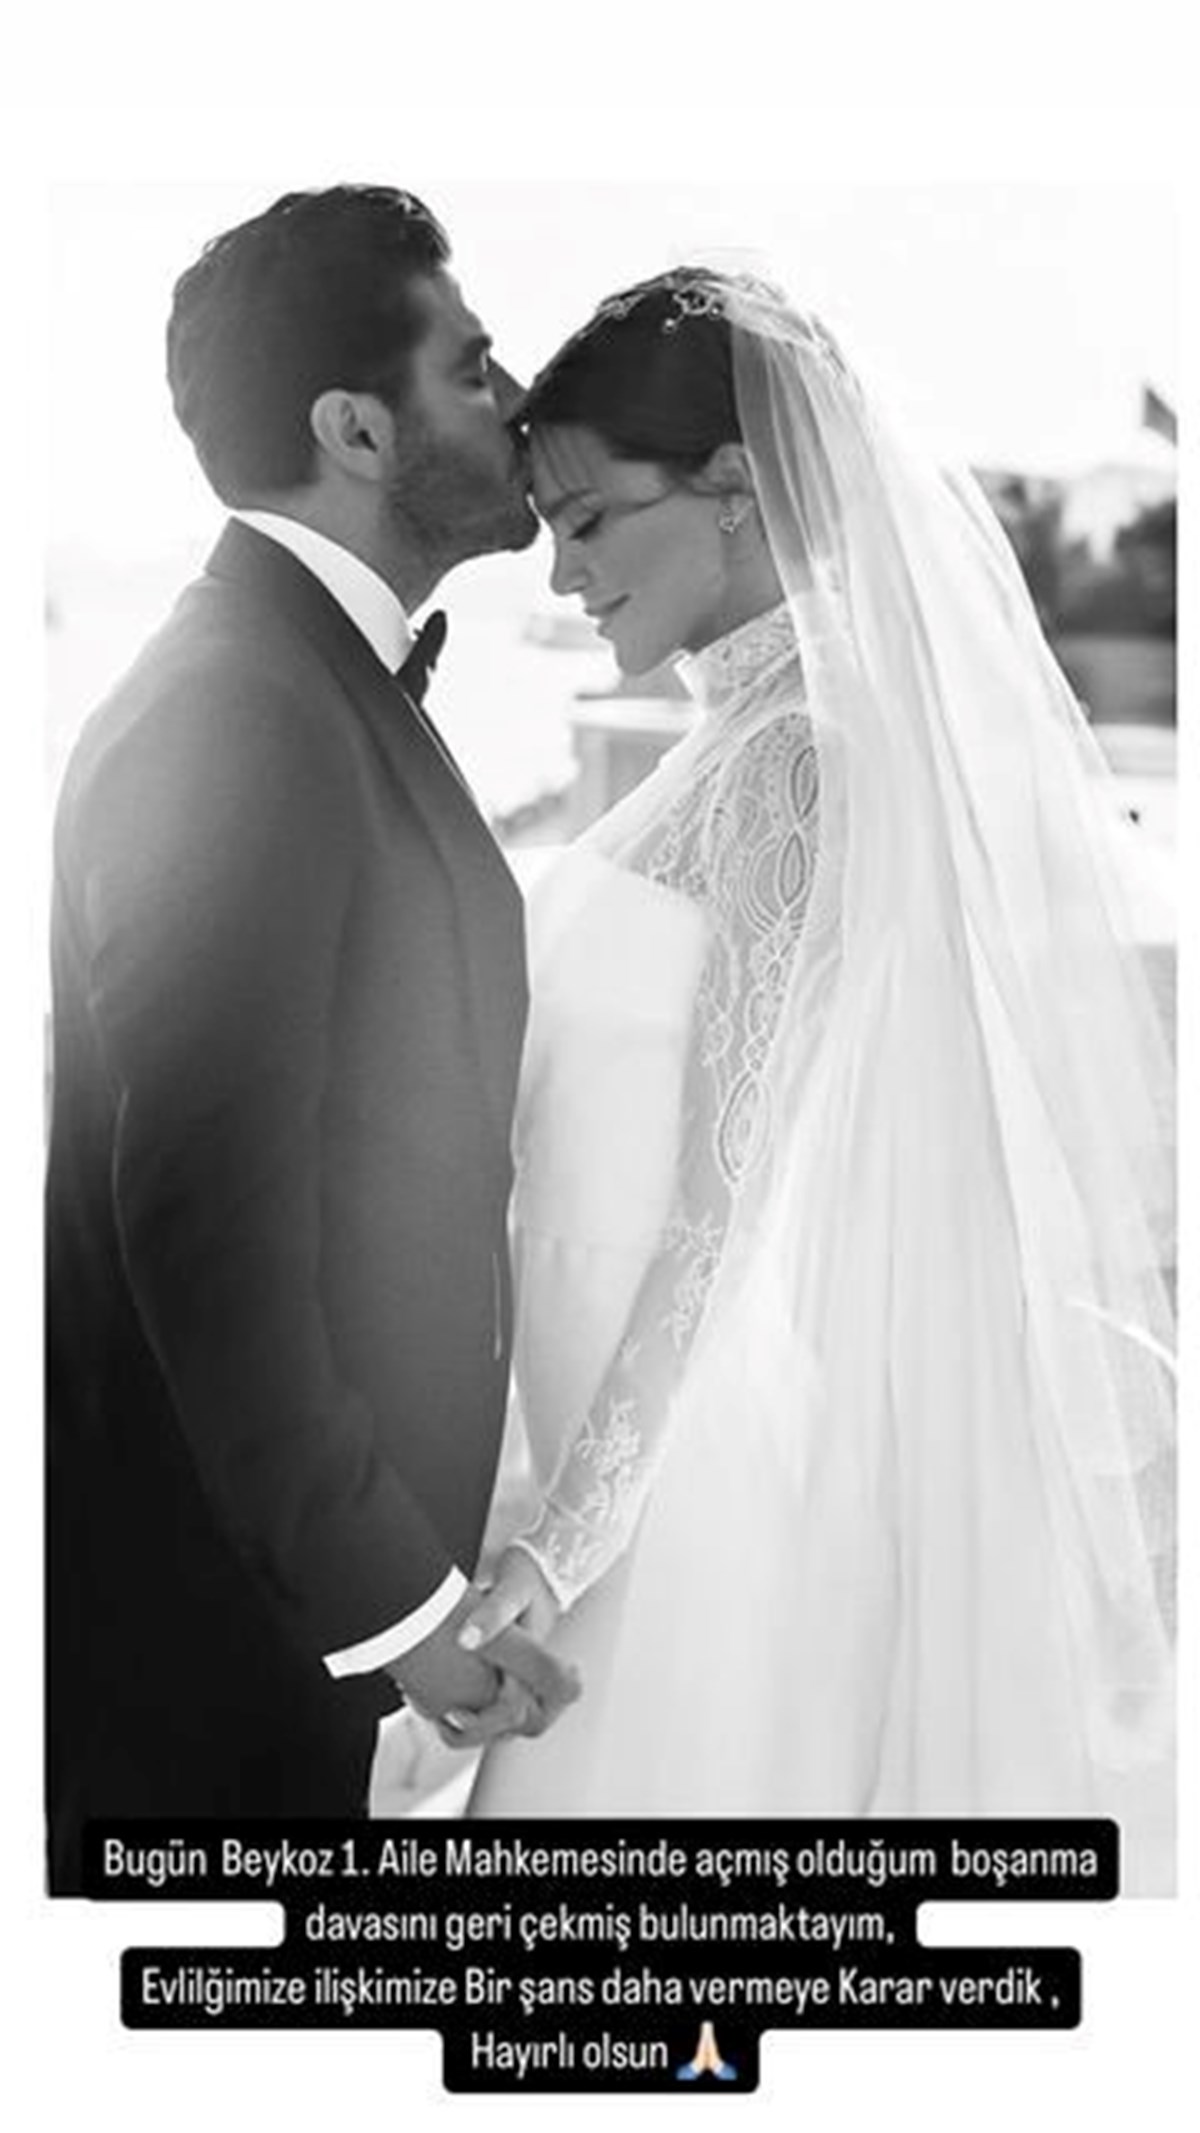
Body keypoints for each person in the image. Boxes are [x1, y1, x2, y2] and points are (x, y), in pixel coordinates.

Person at [462, 268, 1176, 1892]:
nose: (562, 572)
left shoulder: (801, 757)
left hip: (682, 1499)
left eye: (588, 519)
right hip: (618, 1453)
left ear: (734, 485)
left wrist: (564, 1550)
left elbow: (720, 1207)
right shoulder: (728, 747)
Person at [45, 184, 577, 1895]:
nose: (518, 400)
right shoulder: (236, 713)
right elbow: (208, 1231)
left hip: (253, 1634)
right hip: (195, 1653)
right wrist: (402, 1614)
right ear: (355, 429)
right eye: (472, 365)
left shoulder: (297, 686)